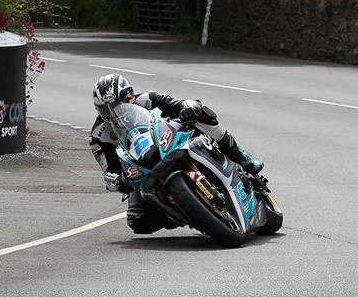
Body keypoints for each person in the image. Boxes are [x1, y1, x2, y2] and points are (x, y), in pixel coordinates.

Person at [89, 73, 264, 234]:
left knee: (202, 114)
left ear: (130, 96)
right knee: (138, 222)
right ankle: (186, 213)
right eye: (106, 109)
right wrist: (115, 180)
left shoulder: (148, 99)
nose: (113, 113)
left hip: (168, 140)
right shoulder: (98, 135)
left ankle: (240, 155)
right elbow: (109, 169)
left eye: (118, 106)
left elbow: (178, 104)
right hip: (140, 168)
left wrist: (188, 106)